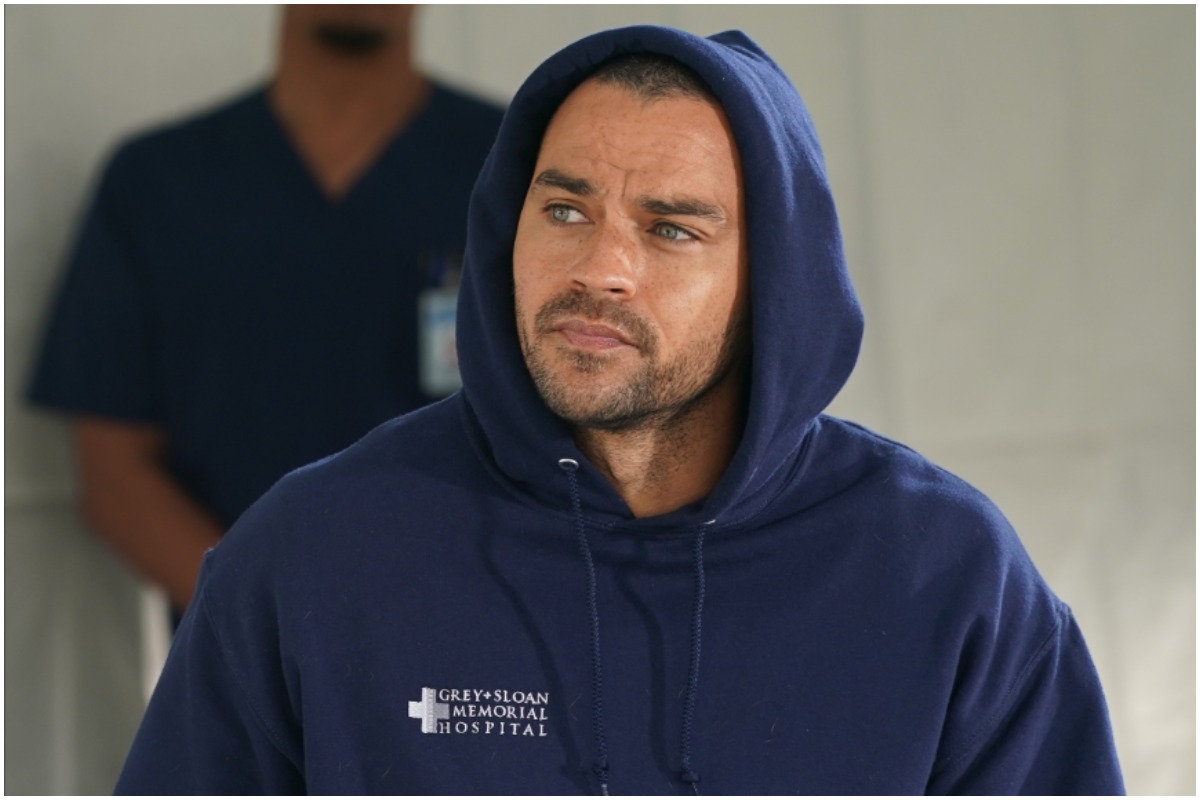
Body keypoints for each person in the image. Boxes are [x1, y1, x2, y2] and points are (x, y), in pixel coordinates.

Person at [113, 25, 1124, 794]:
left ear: (778, 277)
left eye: (671, 228)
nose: (599, 267)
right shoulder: (310, 554)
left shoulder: (947, 575)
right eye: (564, 210)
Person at [27, 5, 504, 614]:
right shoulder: (157, 184)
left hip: (474, 626)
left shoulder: (523, 176)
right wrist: (266, 618)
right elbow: (114, 477)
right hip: (242, 643)